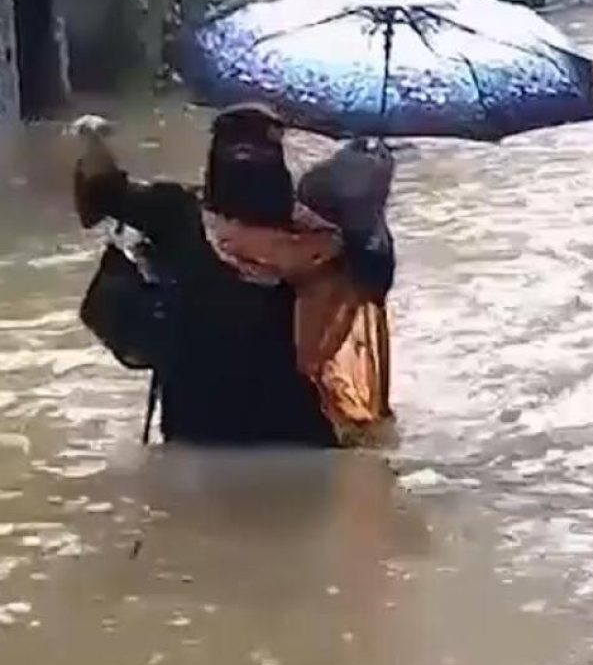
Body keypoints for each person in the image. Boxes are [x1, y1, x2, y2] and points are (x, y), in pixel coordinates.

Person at [73, 106, 394, 448]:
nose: (246, 161)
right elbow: (375, 276)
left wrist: (92, 140)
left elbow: (101, 193)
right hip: (296, 436)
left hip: (199, 431)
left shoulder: (176, 210)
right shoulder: (320, 235)